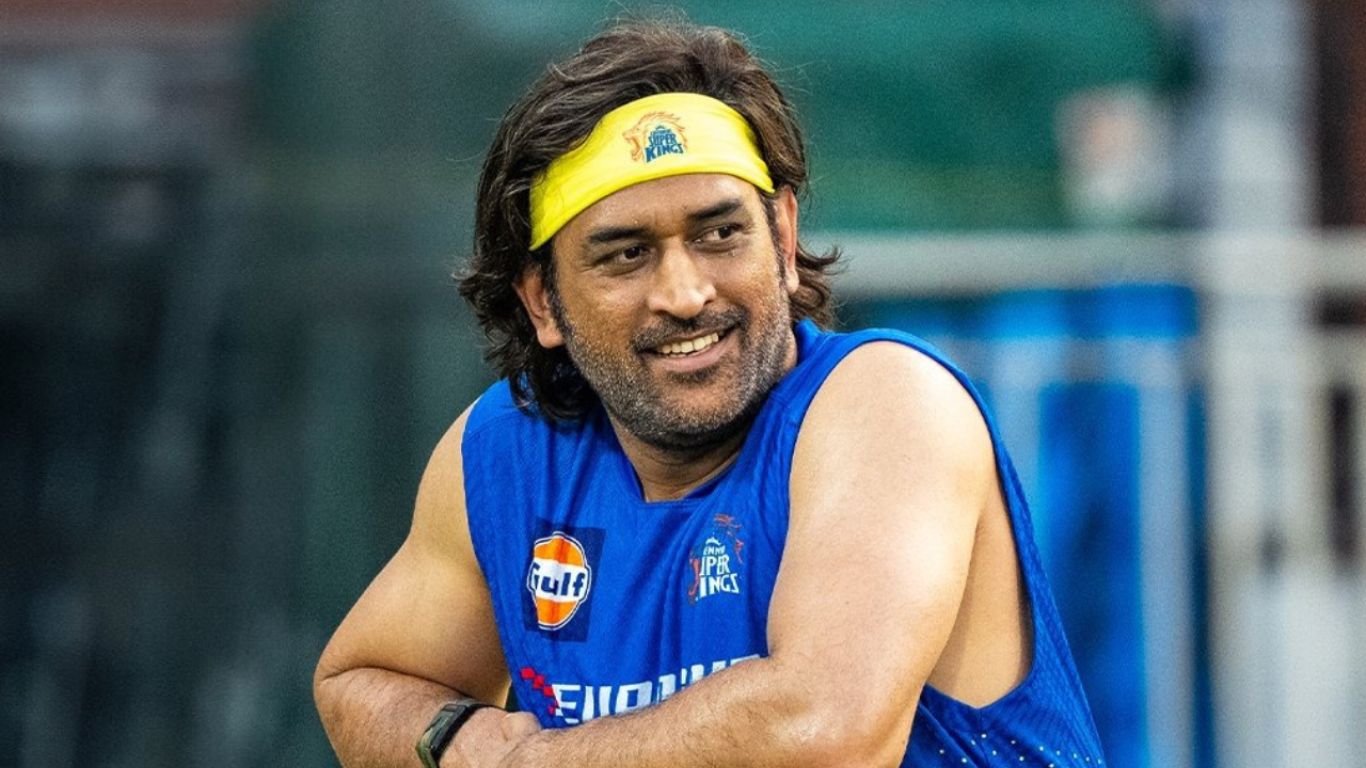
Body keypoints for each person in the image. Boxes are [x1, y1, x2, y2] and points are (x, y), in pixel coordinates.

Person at [314, 18, 1104, 768]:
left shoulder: (886, 403)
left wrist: (532, 759)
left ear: (783, 239)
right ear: (543, 302)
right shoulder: (505, 452)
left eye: (720, 234)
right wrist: (459, 741)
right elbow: (359, 684)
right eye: (626, 255)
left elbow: (826, 734)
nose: (686, 294)